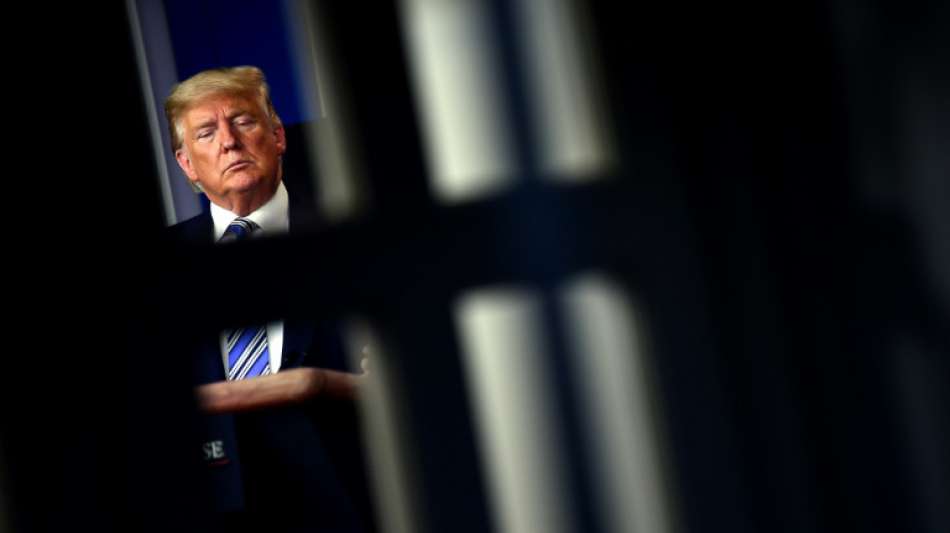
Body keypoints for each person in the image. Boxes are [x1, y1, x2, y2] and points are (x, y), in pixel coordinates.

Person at [163, 66, 375, 533]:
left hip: (350, 495)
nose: (229, 142)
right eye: (206, 132)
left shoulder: (350, 234)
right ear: (187, 164)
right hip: (212, 502)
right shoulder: (159, 264)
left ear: (277, 136)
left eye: (242, 121)